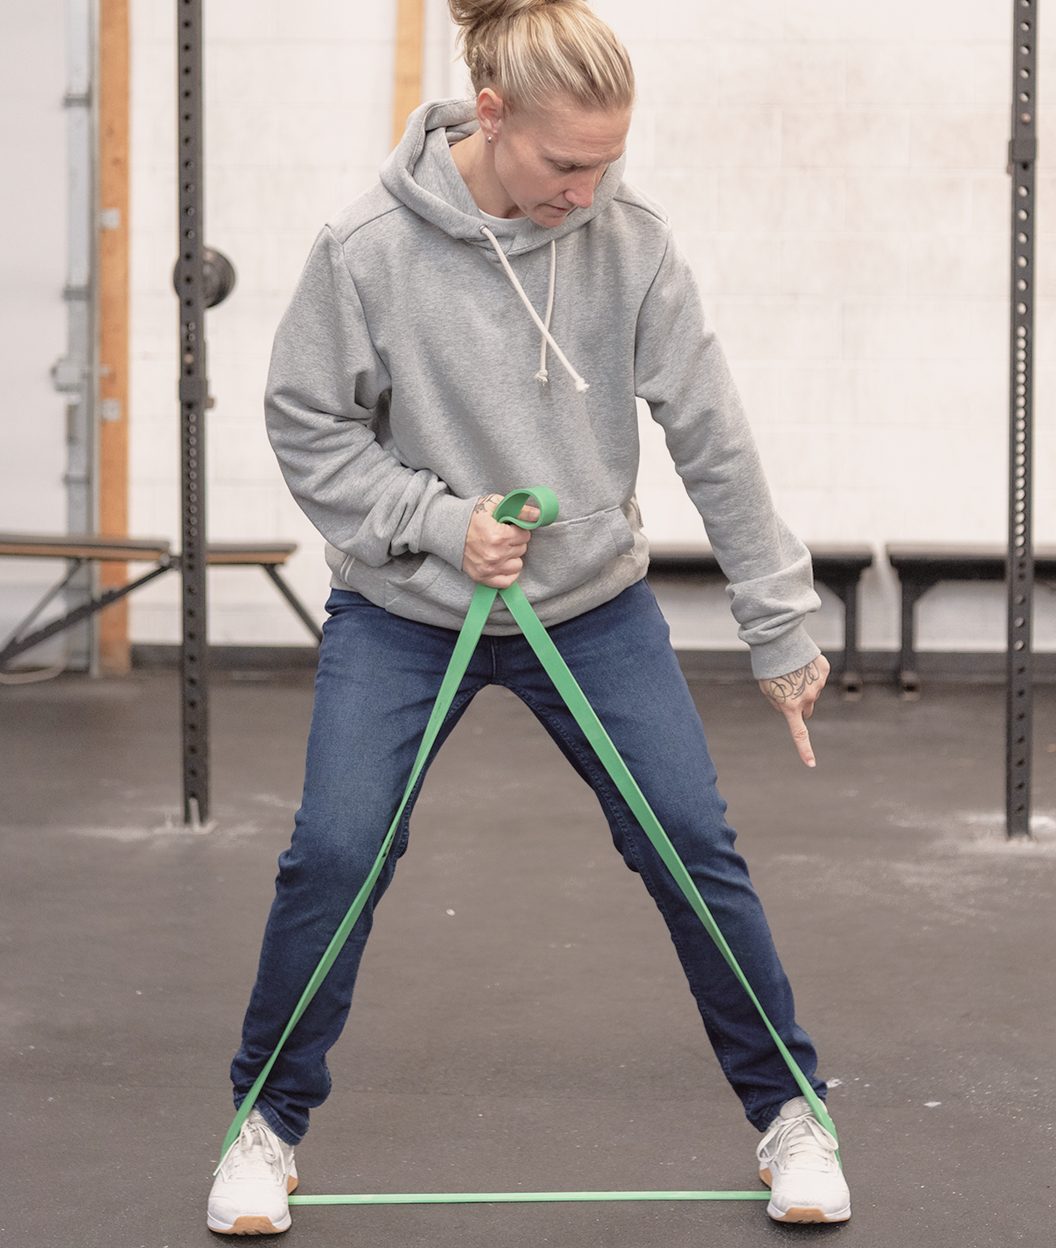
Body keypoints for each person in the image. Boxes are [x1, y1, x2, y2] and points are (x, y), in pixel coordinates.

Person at [206, 0, 851, 1233]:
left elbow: (713, 435)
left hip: (591, 604)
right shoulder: (365, 249)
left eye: (608, 161)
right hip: (405, 611)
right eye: (566, 163)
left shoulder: (632, 243)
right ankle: (263, 1128)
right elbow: (307, 423)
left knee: (689, 841)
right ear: (491, 116)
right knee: (335, 855)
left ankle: (793, 1114)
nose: (586, 190)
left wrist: (778, 623)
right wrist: (440, 520)